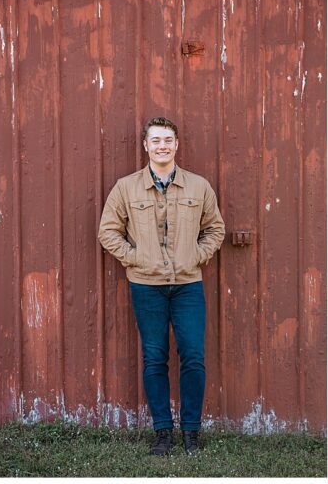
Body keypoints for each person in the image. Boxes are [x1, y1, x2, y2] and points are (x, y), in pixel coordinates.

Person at [98, 117, 225, 456]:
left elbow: (216, 229)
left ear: (177, 144)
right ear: (146, 146)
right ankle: (162, 434)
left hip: (187, 285)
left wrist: (196, 255)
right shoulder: (126, 188)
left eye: (167, 139)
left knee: (193, 357)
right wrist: (135, 258)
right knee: (154, 357)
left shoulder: (198, 187)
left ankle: (191, 434)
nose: (162, 145)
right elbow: (107, 231)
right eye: (155, 140)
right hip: (145, 286)